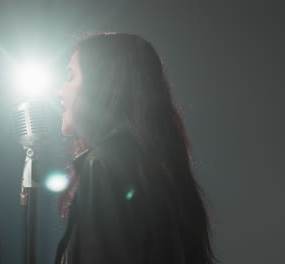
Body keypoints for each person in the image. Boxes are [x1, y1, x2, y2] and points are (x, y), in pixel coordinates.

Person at [55, 33, 216, 264]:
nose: (59, 92)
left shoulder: (103, 164)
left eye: (70, 77)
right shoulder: (157, 166)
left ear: (103, 85)